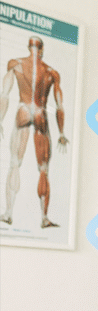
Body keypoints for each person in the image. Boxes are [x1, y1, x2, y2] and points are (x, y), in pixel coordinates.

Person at [0, 36, 69, 228]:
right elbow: (59, 106)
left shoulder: (16, 64)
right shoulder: (51, 72)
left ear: (28, 47)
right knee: (44, 170)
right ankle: (44, 218)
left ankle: (8, 213)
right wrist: (61, 133)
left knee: (15, 164)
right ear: (42, 49)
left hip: (23, 109)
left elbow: (4, 93)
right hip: (40, 112)